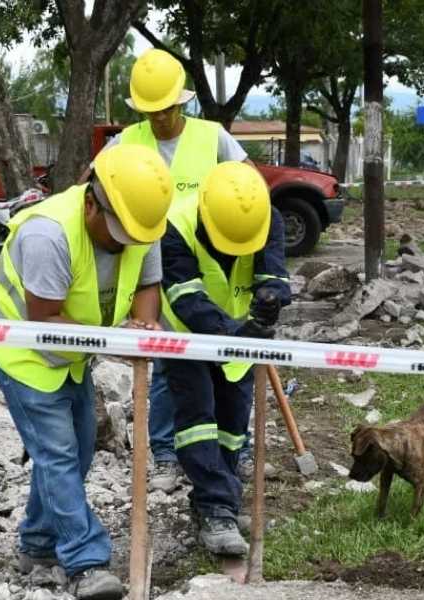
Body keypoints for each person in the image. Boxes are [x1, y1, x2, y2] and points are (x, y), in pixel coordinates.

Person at [0, 144, 173, 600]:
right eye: (117, 232)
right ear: (89, 202)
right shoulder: (49, 235)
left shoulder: (141, 220)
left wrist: (143, 324)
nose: (125, 242)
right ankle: (86, 561)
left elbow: (147, 283)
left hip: (76, 347)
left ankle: (38, 544)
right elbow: (43, 320)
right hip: (19, 342)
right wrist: (117, 341)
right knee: (57, 451)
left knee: (79, 447)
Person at [99, 47, 256, 493]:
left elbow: (250, 191)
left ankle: (234, 451)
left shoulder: (214, 138)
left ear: (181, 101)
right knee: (169, 366)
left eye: (165, 109)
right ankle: (166, 453)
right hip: (152, 272)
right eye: (150, 111)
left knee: (230, 365)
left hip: (209, 272)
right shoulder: (127, 142)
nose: (159, 119)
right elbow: (92, 192)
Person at [158, 161, 290, 555]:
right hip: (187, 338)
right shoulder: (177, 225)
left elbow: (274, 274)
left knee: (233, 422)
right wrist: (238, 333)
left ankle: (220, 501)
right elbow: (187, 298)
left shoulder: (265, 217)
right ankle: (216, 507)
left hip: (240, 338)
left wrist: (270, 300)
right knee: (198, 419)